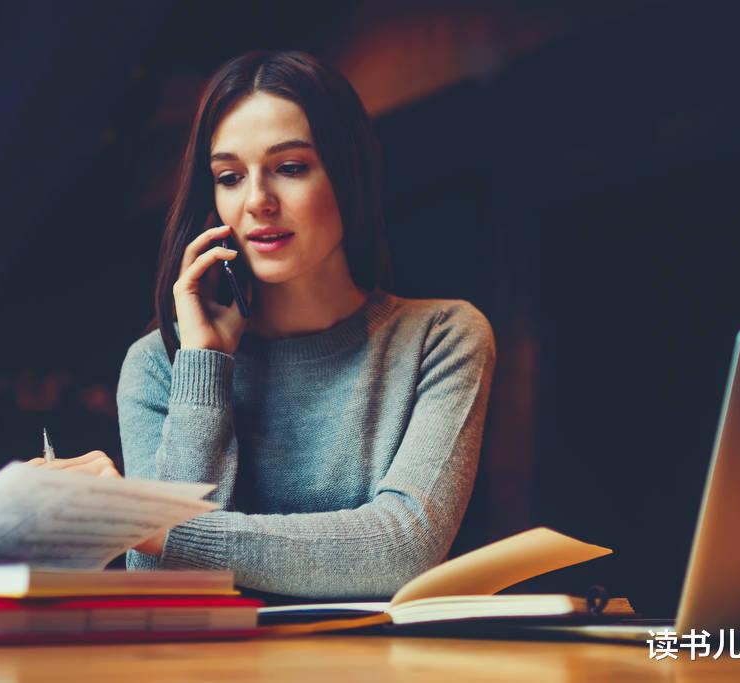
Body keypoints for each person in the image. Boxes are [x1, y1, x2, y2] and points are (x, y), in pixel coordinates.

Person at [31, 50, 496, 598]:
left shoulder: (442, 338)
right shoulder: (159, 363)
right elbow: (159, 589)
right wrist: (204, 366)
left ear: (349, 175)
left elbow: (401, 548)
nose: (257, 201)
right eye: (229, 176)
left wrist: (154, 527)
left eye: (291, 167)